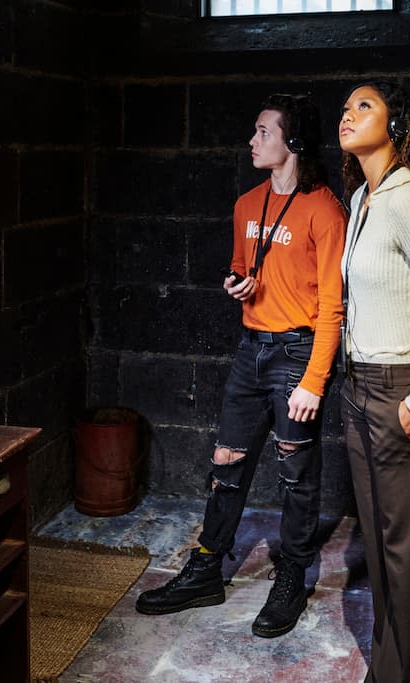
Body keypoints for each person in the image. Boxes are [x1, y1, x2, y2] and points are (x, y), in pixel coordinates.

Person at [135, 93, 348, 638]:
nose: (252, 141)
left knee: (296, 476)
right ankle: (207, 566)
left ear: (291, 142)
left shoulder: (324, 209)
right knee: (227, 463)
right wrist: (240, 284)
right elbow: (239, 267)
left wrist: (314, 381)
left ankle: (293, 575)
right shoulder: (246, 205)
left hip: (298, 352)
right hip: (252, 350)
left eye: (262, 132)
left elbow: (333, 306)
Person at [337, 81, 410, 682]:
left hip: (398, 390)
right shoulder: (361, 200)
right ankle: (389, 671)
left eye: (364, 106)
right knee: (382, 557)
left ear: (396, 126)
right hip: (356, 392)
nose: (348, 114)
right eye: (346, 107)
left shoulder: (408, 199)